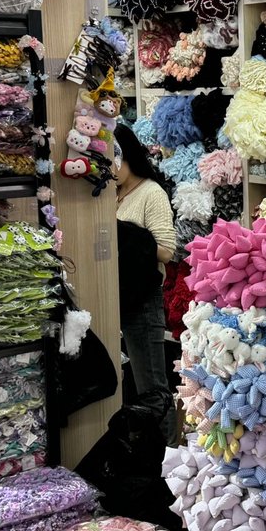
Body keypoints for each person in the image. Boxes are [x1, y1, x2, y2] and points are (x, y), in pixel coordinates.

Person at [113, 125, 177, 419]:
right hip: (113, 296)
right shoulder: (107, 195)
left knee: (150, 387)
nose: (111, 168)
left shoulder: (151, 193)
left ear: (128, 156)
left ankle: (164, 455)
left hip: (141, 299)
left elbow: (166, 250)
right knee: (125, 387)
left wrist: (126, 235)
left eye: (115, 160)